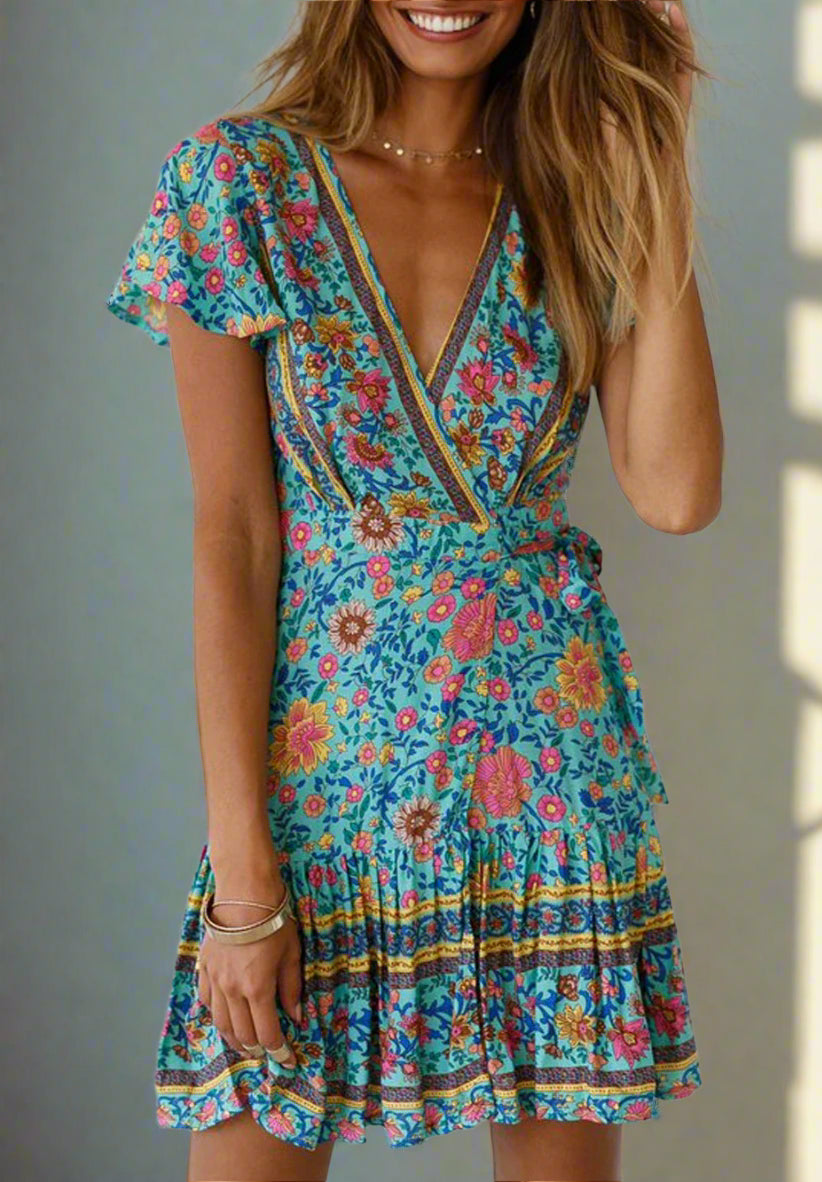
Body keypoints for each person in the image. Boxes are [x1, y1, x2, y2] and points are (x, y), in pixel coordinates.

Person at [106, 2, 721, 1179]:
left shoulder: (581, 195)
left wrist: (652, 160)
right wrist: (244, 881)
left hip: (543, 783)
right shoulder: (237, 183)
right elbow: (233, 533)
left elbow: (677, 492)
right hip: (318, 782)